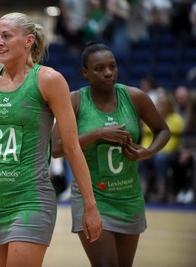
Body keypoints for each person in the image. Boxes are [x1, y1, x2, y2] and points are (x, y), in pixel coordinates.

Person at [0, 12, 102, 267]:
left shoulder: (48, 79)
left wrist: (89, 205)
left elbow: (72, 147)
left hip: (31, 199)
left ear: (28, 41)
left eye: (6, 36)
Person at [52, 42, 170, 267]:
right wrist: (97, 134)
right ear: (85, 72)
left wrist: (148, 152)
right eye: (99, 68)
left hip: (129, 196)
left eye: (112, 66)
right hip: (92, 198)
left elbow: (162, 130)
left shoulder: (135, 97)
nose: (108, 72)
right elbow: (56, 148)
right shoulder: (75, 100)